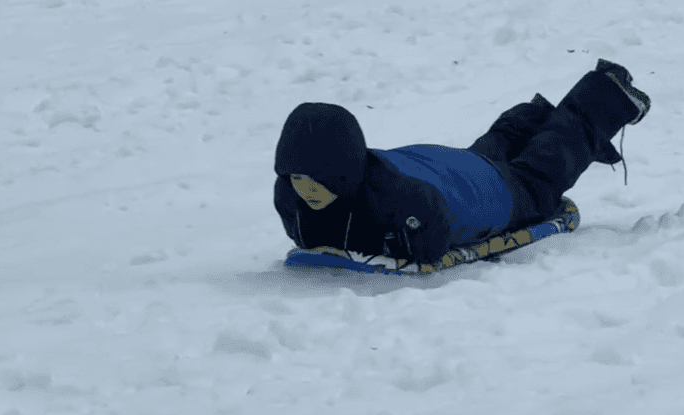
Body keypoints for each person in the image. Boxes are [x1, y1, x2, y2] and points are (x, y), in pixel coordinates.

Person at [274, 59, 651, 265]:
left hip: (483, 191)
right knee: (483, 157)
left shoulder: (400, 202)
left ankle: (605, 94)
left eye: (317, 178)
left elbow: (431, 247)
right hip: (438, 165)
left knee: (540, 175)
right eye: (295, 177)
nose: (304, 188)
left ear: (342, 171)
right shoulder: (291, 197)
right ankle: (533, 118)